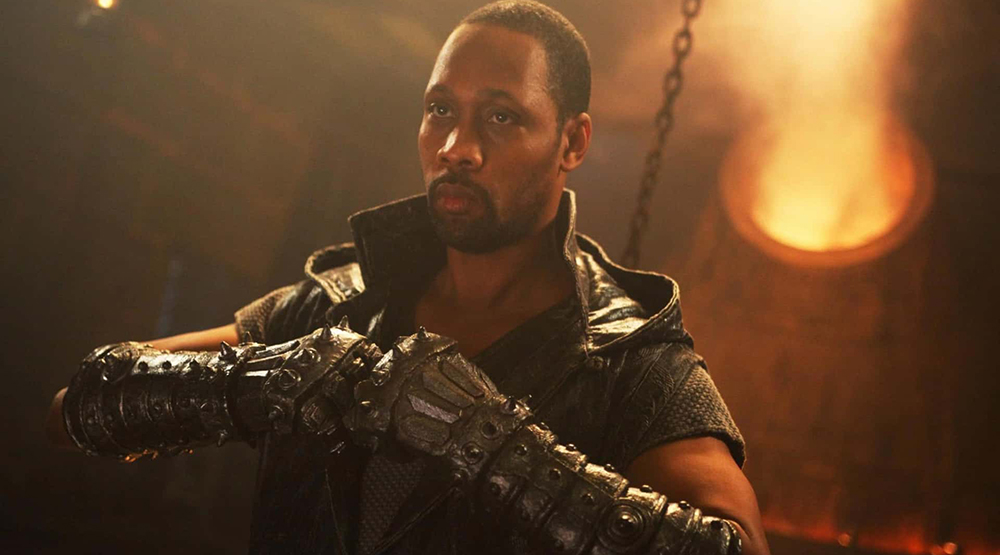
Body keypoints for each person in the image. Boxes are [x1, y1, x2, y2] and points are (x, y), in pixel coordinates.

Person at [47, 2, 769, 554]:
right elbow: (74, 406)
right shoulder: (341, 302)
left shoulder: (630, 355)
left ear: (572, 141)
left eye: (501, 117)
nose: (456, 147)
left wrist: (485, 440)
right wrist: (266, 380)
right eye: (439, 110)